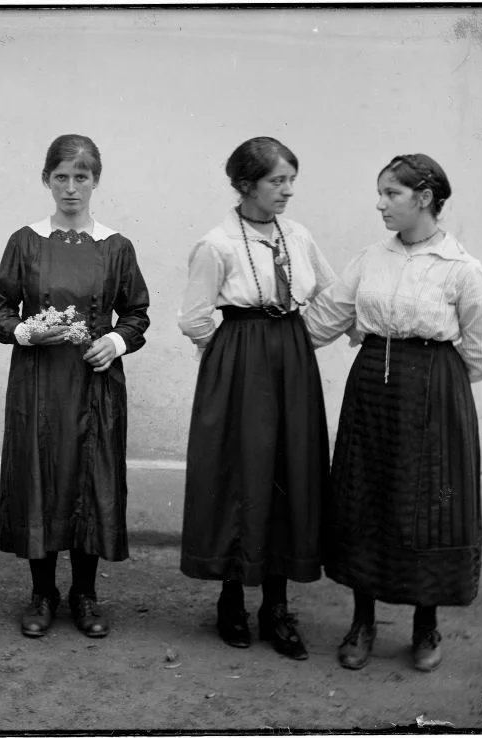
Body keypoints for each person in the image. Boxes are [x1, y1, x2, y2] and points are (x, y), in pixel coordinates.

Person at [304, 154, 482, 672]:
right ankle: (362, 622)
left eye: (391, 193)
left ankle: (425, 624)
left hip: (434, 396)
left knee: (429, 506)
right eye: (381, 193)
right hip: (372, 390)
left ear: (425, 198)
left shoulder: (462, 268)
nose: (381, 204)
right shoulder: (371, 258)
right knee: (366, 498)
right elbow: (323, 320)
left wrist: (436, 382)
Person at [177, 137, 335, 660]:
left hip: (292, 359)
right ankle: (231, 600)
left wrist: (299, 341)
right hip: (239, 361)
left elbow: (331, 293)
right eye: (276, 181)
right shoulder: (217, 244)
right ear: (246, 185)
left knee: (289, 470)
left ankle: (276, 607)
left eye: (291, 180)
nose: (287, 191)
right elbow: (195, 319)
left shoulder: (298, 235)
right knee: (239, 472)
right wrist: (233, 356)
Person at [0, 134, 150, 639]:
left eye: (81, 177)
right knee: (40, 477)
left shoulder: (116, 247)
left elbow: (137, 314)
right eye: (61, 177)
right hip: (38, 385)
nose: (71, 188)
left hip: (94, 385)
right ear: (46, 180)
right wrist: (25, 331)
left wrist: (115, 343)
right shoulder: (25, 242)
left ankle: (84, 593)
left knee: (89, 480)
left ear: (96, 181)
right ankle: (42, 592)